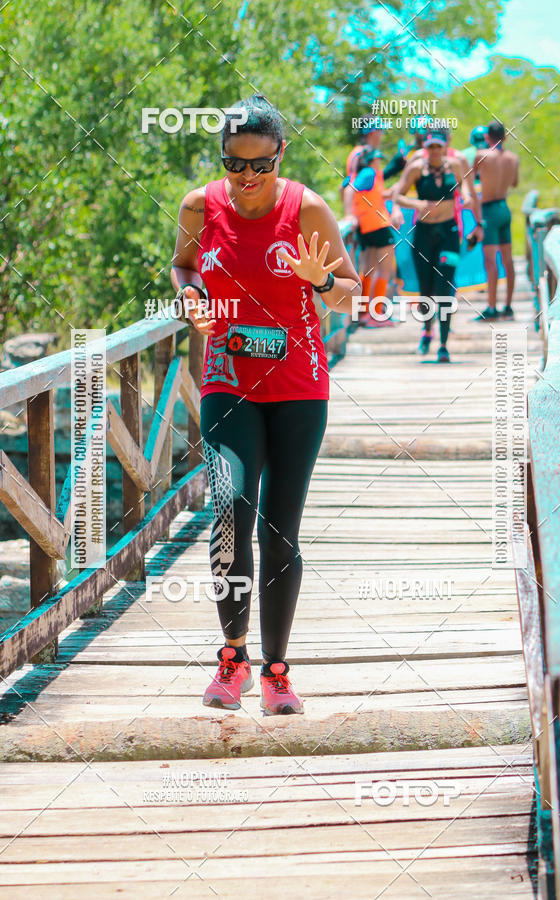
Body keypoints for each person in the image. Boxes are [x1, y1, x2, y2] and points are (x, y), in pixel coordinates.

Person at [171, 94, 360, 716]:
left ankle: (277, 672)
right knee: (228, 513)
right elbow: (182, 267)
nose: (248, 177)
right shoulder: (199, 207)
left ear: (282, 154)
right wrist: (192, 296)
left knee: (281, 531)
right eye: (235, 164)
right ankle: (233, 658)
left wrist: (321, 281)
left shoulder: (307, 209)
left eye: (261, 164)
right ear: (221, 159)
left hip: (299, 388)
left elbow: (349, 300)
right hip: (227, 381)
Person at [392, 129, 483, 363]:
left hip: (449, 233)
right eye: (430, 146)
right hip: (423, 233)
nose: (434, 151)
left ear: (444, 147)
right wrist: (418, 203)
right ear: (425, 147)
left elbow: (464, 188)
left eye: (438, 147)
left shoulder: (454, 165)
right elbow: (397, 195)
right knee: (426, 288)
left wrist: (467, 199)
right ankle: (427, 331)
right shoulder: (416, 167)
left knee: (445, 287)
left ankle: (443, 344)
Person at [473, 120, 519, 320]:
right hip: (504, 208)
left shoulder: (481, 156)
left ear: (486, 137)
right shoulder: (513, 158)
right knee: (508, 260)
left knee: (491, 261)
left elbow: (470, 179)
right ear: (505, 137)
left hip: (489, 209)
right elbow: (515, 183)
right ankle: (508, 307)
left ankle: (491, 308)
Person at [351, 147, 401, 327]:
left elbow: (372, 195)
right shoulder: (370, 172)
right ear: (374, 160)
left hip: (366, 227)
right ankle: (376, 314)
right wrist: (350, 214)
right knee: (384, 271)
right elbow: (352, 190)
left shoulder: (370, 175)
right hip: (378, 226)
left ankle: (365, 314)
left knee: (369, 270)